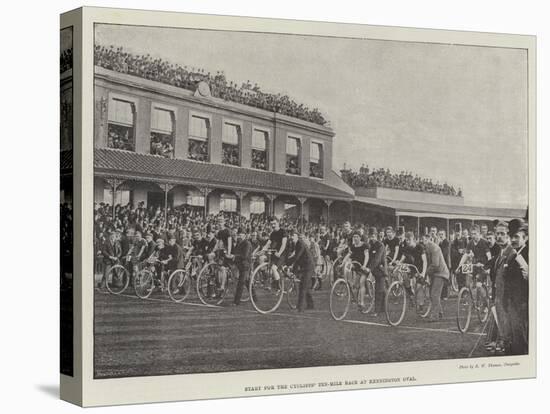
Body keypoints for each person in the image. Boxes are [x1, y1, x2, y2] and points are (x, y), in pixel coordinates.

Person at [504, 223, 529, 355]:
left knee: (520, 335)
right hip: (512, 301)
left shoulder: (528, 254)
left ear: (525, 238)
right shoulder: (514, 254)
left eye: (516, 237)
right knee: (515, 334)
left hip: (521, 302)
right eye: (511, 236)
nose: (513, 240)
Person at [421, 234, 449, 321]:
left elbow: (435, 265)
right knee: (432, 294)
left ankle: (435, 316)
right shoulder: (426, 248)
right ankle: (439, 312)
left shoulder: (435, 248)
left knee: (434, 294)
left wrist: (425, 273)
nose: (424, 241)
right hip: (434, 273)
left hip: (441, 273)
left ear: (430, 239)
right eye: (422, 239)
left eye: (425, 239)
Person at [287, 231, 315, 311]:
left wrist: (289, 264)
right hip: (304, 266)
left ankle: (300, 308)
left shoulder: (301, 244)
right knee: (304, 286)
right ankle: (311, 304)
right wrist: (293, 269)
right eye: (291, 235)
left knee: (302, 287)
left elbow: (297, 257)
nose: (291, 237)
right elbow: (296, 258)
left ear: (297, 237)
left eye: (293, 236)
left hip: (308, 267)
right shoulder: (296, 244)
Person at [342, 232, 370, 312]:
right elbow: (348, 255)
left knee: (361, 283)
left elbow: (367, 256)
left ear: (360, 237)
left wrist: (364, 265)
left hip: (365, 267)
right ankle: (357, 301)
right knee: (355, 285)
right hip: (357, 267)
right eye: (354, 237)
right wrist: (342, 263)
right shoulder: (353, 246)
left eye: (357, 237)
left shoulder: (365, 245)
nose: (355, 238)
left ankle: (362, 302)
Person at [260, 217, 288, 291]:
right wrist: (262, 250)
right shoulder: (272, 234)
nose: (273, 225)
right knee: (266, 264)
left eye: (274, 224)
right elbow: (268, 243)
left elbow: (283, 244)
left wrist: (279, 253)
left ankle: (278, 286)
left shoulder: (283, 231)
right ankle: (270, 281)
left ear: (278, 223)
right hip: (274, 253)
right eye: (271, 224)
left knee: (273, 268)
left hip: (282, 254)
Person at [229, 227, 252, 306]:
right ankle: (255, 298)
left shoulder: (247, 243)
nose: (239, 236)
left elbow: (245, 256)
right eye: (239, 234)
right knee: (247, 282)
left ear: (245, 235)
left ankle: (236, 302)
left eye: (241, 234)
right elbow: (235, 253)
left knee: (241, 283)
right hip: (240, 265)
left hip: (246, 265)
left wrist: (234, 256)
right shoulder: (239, 243)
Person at [366, 227, 387, 315]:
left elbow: (377, 259)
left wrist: (369, 269)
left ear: (377, 235)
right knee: (382, 289)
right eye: (370, 236)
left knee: (379, 290)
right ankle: (383, 308)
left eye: (373, 236)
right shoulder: (369, 244)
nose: (372, 238)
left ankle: (377, 311)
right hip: (373, 269)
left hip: (381, 270)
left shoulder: (380, 245)